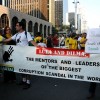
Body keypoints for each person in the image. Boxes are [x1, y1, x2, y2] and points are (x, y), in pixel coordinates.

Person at [2, 22, 37, 89]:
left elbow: (31, 41)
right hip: (19, 55)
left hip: (26, 54)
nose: (15, 27)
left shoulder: (26, 33)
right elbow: (8, 40)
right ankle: (23, 80)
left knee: (27, 69)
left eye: (17, 25)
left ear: (21, 27)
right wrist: (1, 41)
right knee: (21, 68)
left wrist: (39, 47)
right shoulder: (17, 34)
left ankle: (28, 82)